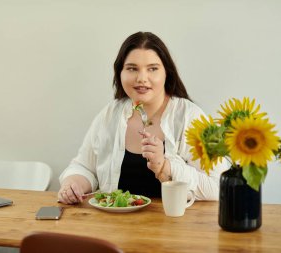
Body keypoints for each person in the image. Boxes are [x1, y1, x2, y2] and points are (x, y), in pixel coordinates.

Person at [58, 31, 228, 204]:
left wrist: (166, 166)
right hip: (113, 227)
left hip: (175, 228)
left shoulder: (191, 117)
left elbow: (219, 186)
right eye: (132, 68)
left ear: (166, 73)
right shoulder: (110, 114)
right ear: (120, 73)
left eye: (152, 69)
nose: (141, 78)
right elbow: (84, 167)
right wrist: (73, 183)